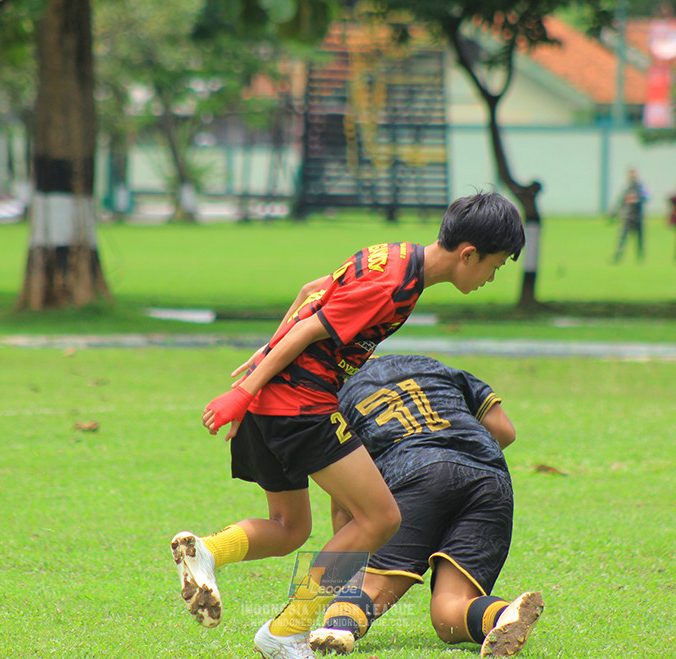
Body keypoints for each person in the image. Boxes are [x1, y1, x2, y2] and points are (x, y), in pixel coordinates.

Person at [170, 192, 526, 659]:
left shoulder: (393, 254)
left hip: (274, 399)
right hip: (301, 404)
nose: (490, 279)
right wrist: (244, 391)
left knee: (289, 527)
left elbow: (309, 292)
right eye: (493, 267)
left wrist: (258, 375)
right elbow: (309, 328)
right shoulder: (394, 286)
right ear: (468, 255)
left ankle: (208, 551)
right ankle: (286, 631)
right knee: (381, 518)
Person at [307, 354, 542, 658]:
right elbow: (504, 430)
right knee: (449, 615)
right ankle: (503, 616)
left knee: (366, 586)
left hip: (417, 474)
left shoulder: (333, 401)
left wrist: (353, 567)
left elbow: (344, 502)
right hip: (490, 479)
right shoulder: (431, 365)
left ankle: (338, 629)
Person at [612, 169, 647, 263]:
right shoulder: (626, 188)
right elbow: (621, 201)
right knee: (622, 239)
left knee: (639, 240)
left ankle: (640, 257)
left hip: (638, 217)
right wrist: (615, 213)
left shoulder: (640, 188)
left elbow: (646, 198)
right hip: (627, 217)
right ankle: (617, 257)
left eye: (633, 176)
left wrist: (638, 200)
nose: (632, 178)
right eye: (631, 176)